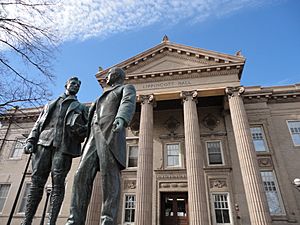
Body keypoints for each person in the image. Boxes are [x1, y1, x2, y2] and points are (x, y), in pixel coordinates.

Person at [66, 67, 136, 225]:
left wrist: (121, 118)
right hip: (92, 136)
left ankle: (107, 220)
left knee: (109, 178)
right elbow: (88, 117)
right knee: (80, 175)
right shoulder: (99, 98)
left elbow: (127, 103)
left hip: (110, 134)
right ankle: (74, 219)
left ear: (116, 76)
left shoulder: (126, 88)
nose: (107, 77)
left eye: (109, 74)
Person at [22, 77, 88, 225]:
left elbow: (87, 129)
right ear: (66, 85)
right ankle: (26, 221)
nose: (76, 86)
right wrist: (30, 140)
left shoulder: (81, 108)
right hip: (43, 144)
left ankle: (51, 222)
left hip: (64, 147)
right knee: (36, 183)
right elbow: (38, 124)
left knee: (58, 185)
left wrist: (79, 130)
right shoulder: (51, 104)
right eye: (73, 83)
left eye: (78, 84)